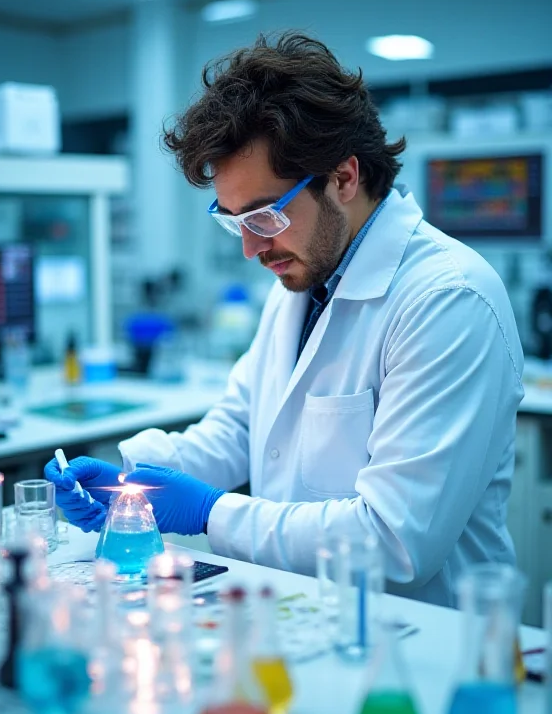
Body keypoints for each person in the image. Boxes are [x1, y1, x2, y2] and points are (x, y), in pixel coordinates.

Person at [45, 32, 524, 607]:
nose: (251, 248)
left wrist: (208, 510)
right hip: (301, 614)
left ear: (343, 177)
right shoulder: (299, 277)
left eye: (265, 215)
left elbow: (396, 542)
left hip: (424, 643)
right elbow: (240, 430)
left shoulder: (447, 299)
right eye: (233, 220)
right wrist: (132, 479)